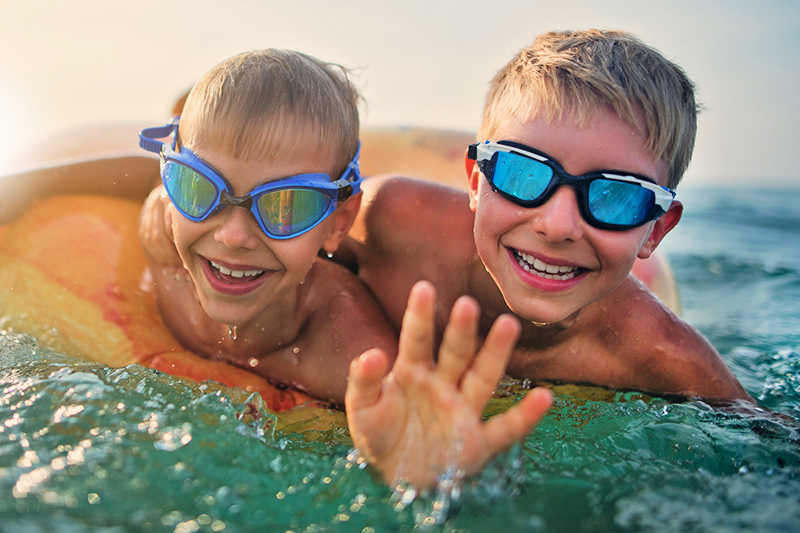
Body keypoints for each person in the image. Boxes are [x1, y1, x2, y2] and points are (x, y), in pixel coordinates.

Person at [129, 49, 407, 406]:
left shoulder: (352, 354)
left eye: (285, 207)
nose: (233, 236)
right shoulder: (162, 234)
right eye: (198, 187)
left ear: (337, 224)